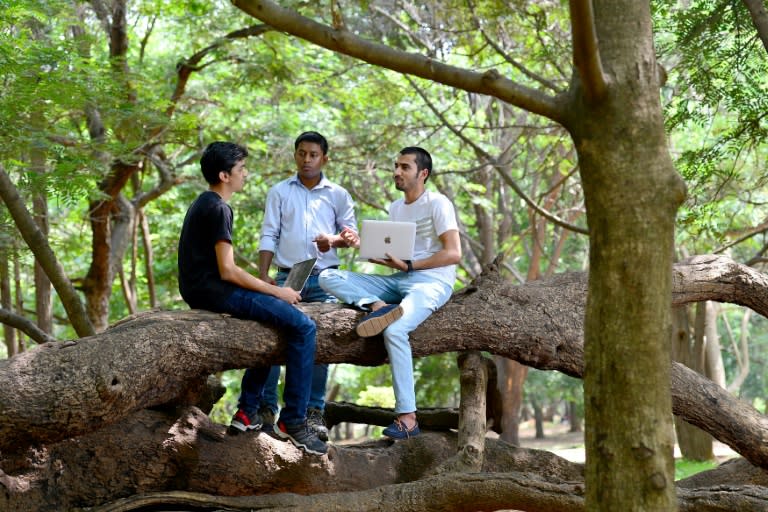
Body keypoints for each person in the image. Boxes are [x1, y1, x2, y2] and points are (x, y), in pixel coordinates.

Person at [177, 141, 327, 455]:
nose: (245, 174)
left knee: (272, 326)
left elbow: (222, 265)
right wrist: (276, 290)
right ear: (223, 175)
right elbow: (228, 271)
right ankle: (294, 420)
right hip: (215, 293)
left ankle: (248, 410)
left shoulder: (204, 202)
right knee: (303, 327)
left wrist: (264, 287)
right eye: (240, 169)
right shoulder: (219, 207)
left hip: (202, 289)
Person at [319, 146, 461, 439]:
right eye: (395, 166)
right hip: (398, 280)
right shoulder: (396, 207)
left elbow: (453, 253)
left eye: (405, 167)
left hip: (432, 282)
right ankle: (376, 305)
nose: (397, 172)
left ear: (423, 173)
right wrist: (362, 245)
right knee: (327, 276)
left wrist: (411, 265)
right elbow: (392, 255)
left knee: (395, 331)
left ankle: (408, 418)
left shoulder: (439, 203)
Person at [257, 131, 356, 440]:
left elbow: (351, 237)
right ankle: (266, 408)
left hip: (326, 278)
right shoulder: (280, 191)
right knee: (273, 338)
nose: (307, 159)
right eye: (302, 153)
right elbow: (268, 234)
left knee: (320, 345)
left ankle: (313, 413)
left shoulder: (338, 194)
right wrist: (263, 276)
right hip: (288, 277)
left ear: (324, 158)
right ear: (295, 155)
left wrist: (335, 240)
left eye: (313, 154)